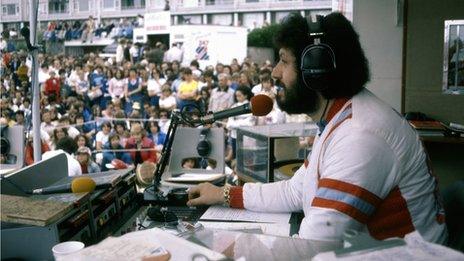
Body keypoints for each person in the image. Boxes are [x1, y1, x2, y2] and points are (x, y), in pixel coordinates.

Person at [187, 12, 447, 245]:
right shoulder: (341, 118)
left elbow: (312, 247)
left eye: (283, 61)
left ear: (316, 70)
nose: (275, 73)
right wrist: (224, 194)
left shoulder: (360, 136)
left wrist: (217, 245)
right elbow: (295, 191)